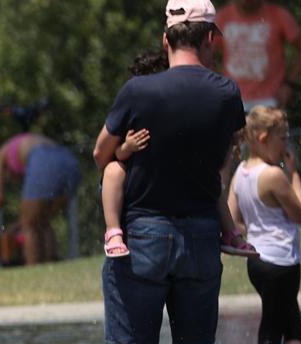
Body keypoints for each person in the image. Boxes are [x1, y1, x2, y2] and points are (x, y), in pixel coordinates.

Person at [94, 0, 246, 344]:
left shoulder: (139, 90)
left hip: (143, 234)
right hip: (203, 233)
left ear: (166, 40)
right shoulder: (227, 92)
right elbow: (227, 154)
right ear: (210, 39)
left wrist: (125, 156)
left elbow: (101, 154)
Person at [101, 48, 258, 259]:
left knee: (213, 183)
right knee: (112, 170)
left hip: (165, 201)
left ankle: (231, 234)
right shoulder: (139, 104)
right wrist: (127, 148)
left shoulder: (156, 103)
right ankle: (113, 232)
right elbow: (111, 153)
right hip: (142, 187)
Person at [227, 107, 301, 344]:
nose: (286, 144)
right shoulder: (274, 175)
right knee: (276, 334)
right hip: (281, 262)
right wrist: (295, 174)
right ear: (263, 138)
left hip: (258, 262)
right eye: (282, 137)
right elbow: (300, 212)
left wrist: (256, 229)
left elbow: (235, 222)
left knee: (291, 332)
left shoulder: (240, 174)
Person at [0, 131, 81, 266]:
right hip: (70, 161)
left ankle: (33, 267)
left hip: (44, 160)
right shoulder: (27, 143)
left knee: (29, 226)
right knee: (42, 221)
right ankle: (51, 265)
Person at [216, 0, 301, 110]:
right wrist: (216, 86)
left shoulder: (278, 14)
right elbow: (205, 52)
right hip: (233, 100)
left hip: (271, 101)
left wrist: (289, 84)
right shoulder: (222, 17)